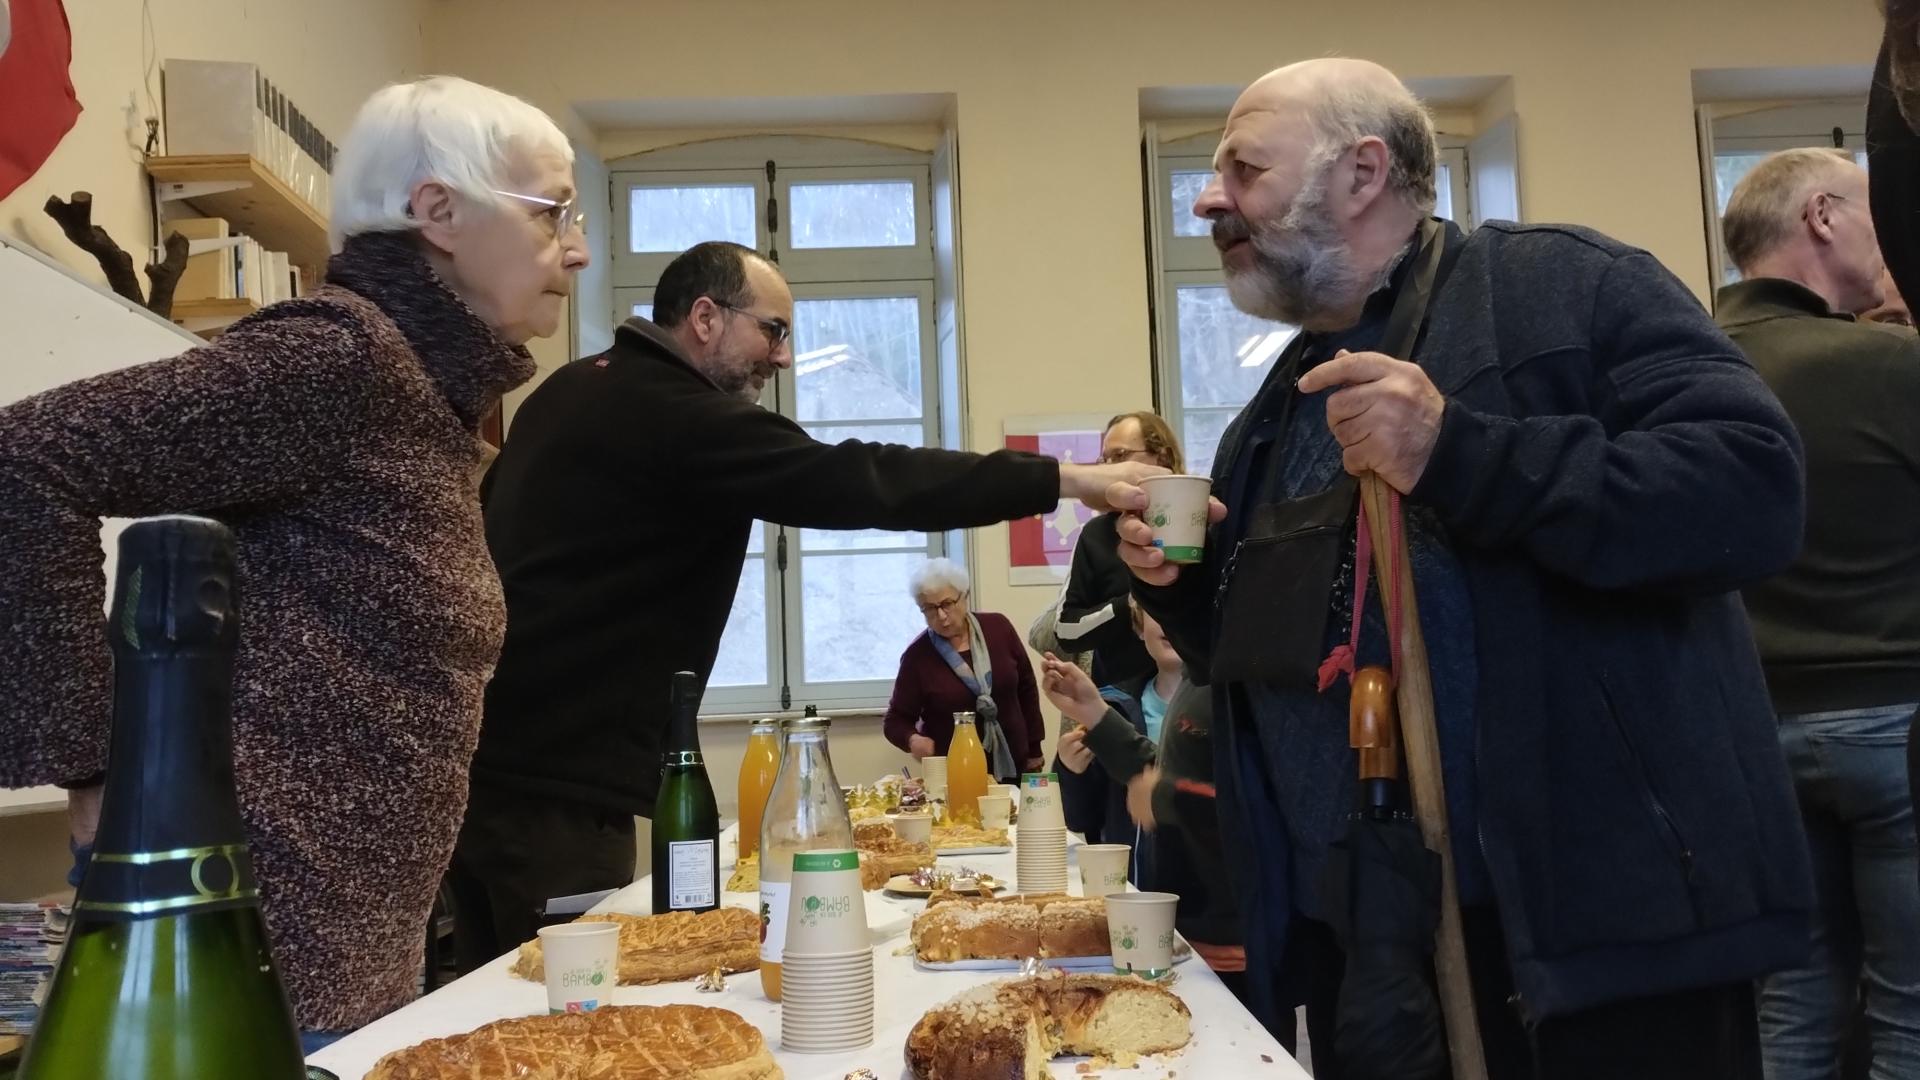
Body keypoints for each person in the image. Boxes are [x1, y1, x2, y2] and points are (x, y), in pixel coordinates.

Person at [1112, 58, 1811, 1080]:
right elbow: (1272, 668)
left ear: (1362, 173)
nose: (1209, 199)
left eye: (1242, 169)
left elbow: (1753, 491)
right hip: (1361, 942)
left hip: (1595, 948)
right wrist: (1179, 583)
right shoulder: (1279, 408)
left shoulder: (1563, 287)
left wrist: (1460, 452)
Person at [0, 76, 589, 1046]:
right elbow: (23, 462)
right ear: (438, 209)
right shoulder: (340, 364)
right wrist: (93, 766)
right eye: (552, 213)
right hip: (252, 955)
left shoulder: (424, 398)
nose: (576, 247)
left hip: (347, 955)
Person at [456, 241, 1155, 971]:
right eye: (773, 330)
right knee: (565, 1021)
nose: (782, 358)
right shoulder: (677, 413)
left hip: (483, 767)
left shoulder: (569, 391)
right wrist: (1072, 481)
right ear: (705, 317)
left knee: (490, 1004)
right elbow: (858, 478)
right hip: (553, 790)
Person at [1715, 147, 1920, 1080]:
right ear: (1825, 216)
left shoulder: (1680, 374)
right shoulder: (1892, 365)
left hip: (1745, 731)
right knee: (1911, 1010)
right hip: (1893, 725)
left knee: (1788, 1009)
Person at [1042, 599, 1246, 1001]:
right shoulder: (1196, 678)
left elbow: (1255, 800)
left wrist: (1169, 797)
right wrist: (1095, 712)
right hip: (1175, 929)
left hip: (1235, 942)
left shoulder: (1236, 681)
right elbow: (1163, 771)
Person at [1044, 411, 1185, 686]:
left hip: (1197, 696)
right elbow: (1066, 630)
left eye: (1119, 457)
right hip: (1122, 705)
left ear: (1163, 457)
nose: (1108, 470)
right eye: (1104, 460)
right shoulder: (1096, 535)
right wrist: (1130, 604)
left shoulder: (1198, 522)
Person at [881, 558, 1044, 781]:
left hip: (1016, 763)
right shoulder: (917, 657)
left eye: (947, 603)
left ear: (964, 596)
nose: (941, 616)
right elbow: (895, 720)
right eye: (929, 609)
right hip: (955, 774)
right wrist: (913, 740)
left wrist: (1035, 749)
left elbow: (1027, 688)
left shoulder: (999, 629)